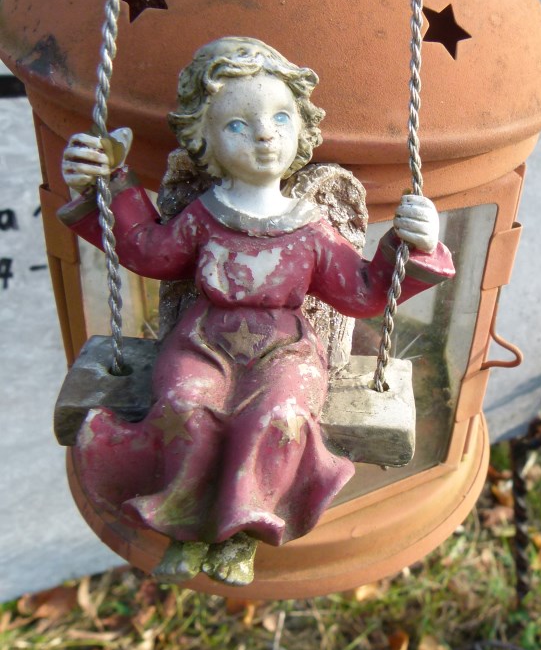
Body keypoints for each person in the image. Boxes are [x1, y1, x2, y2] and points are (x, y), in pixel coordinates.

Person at [58, 37, 454, 586]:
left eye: (280, 117)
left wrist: (415, 245)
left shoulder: (311, 227)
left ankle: (244, 530)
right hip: (203, 341)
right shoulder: (205, 215)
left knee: (279, 415)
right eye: (238, 125)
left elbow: (362, 291)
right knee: (184, 406)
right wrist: (107, 185)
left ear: (302, 128)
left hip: (284, 348)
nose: (265, 135)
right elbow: (149, 251)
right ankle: (182, 524)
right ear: (207, 141)